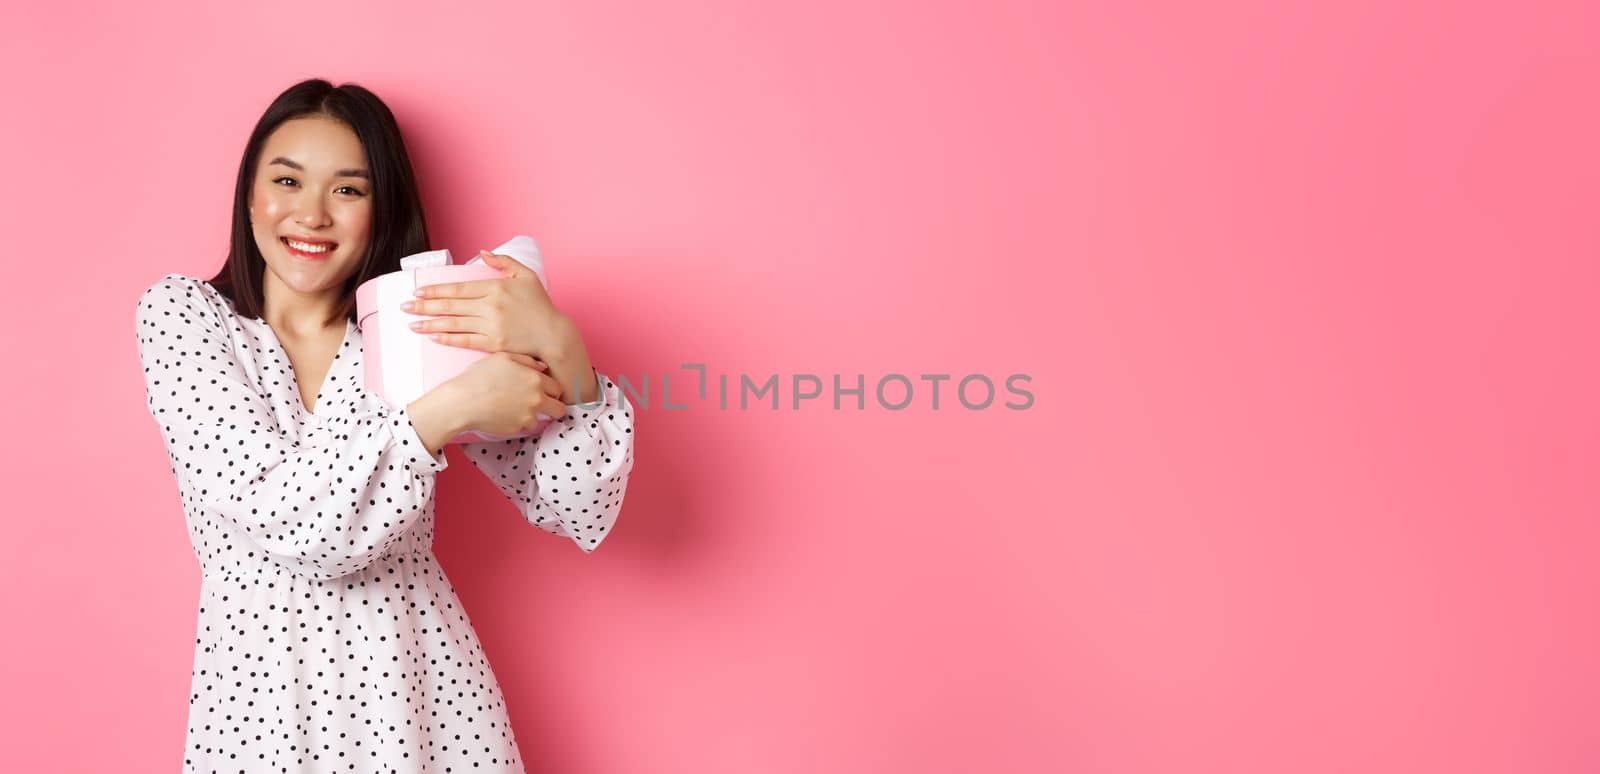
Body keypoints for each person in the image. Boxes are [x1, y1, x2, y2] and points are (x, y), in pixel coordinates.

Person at [133, 78, 636, 772]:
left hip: (421, 695)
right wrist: (449, 410)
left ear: (381, 208)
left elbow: (579, 506)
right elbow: (291, 522)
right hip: (261, 707)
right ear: (250, 192)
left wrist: (559, 343)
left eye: (348, 189)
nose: (312, 214)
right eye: (287, 179)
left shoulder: (421, 325)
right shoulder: (184, 318)